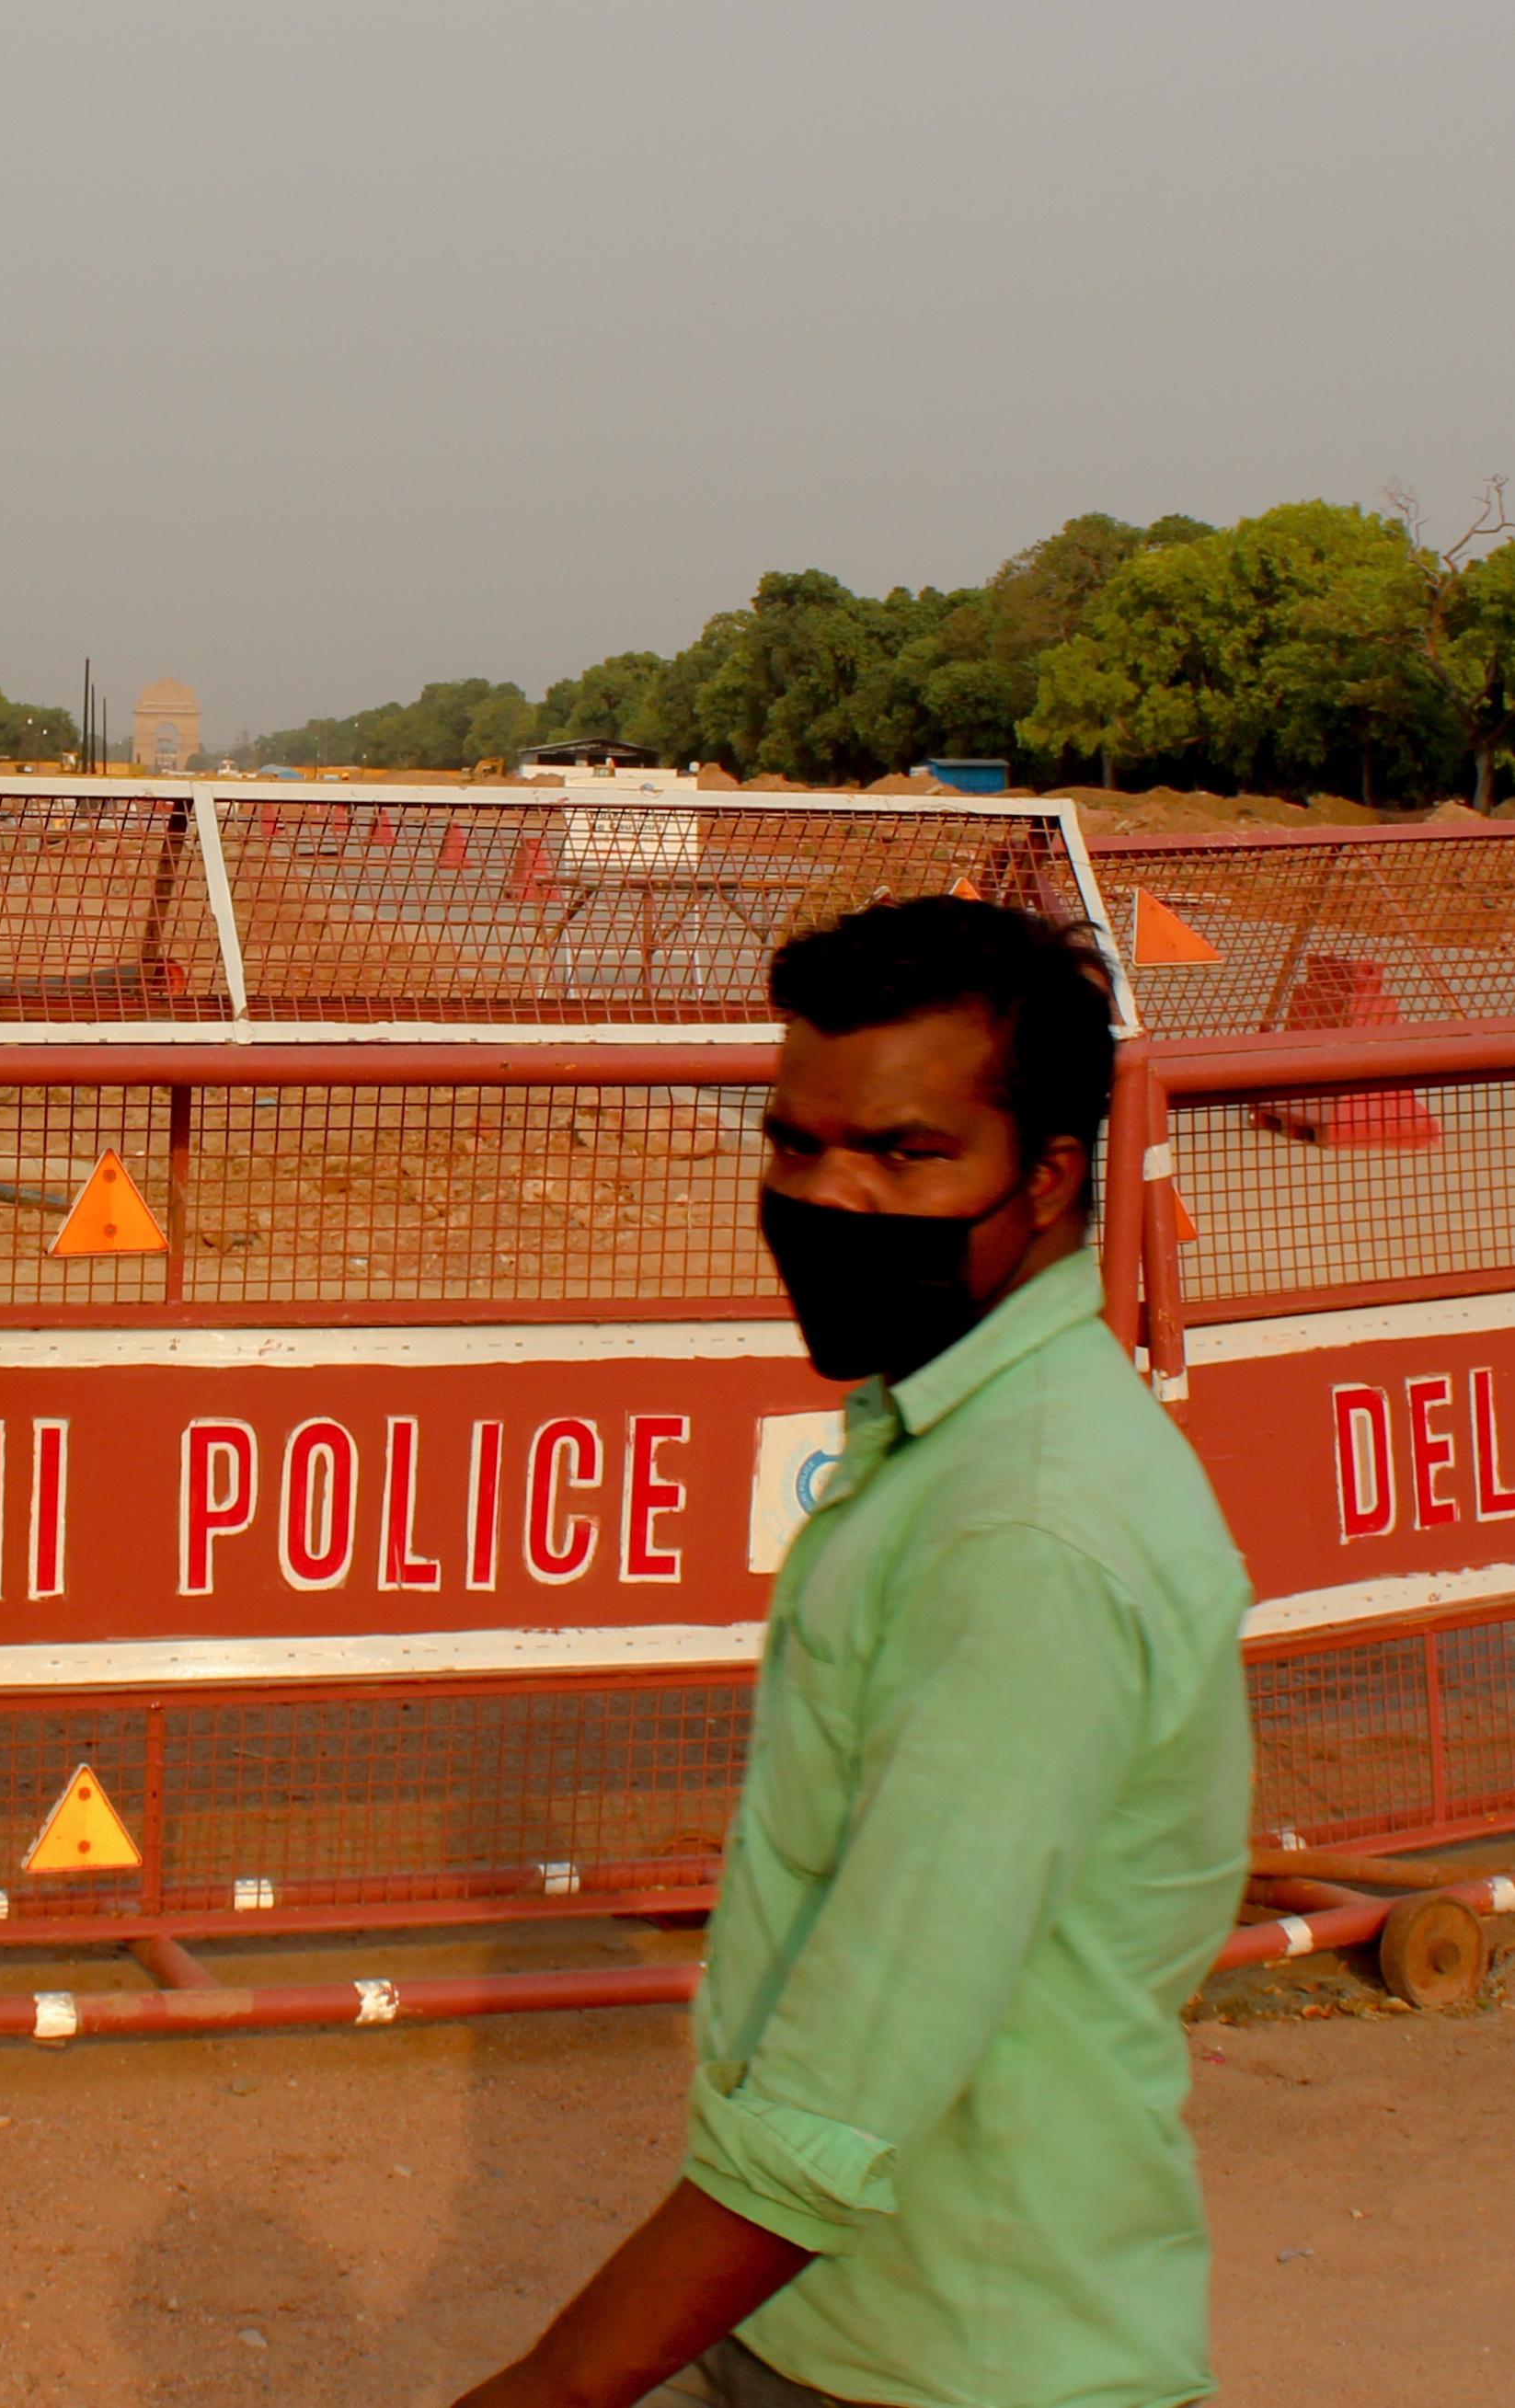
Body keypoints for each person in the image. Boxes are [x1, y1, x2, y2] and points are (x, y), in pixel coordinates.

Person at [453, 897, 1251, 2408]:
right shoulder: (947, 1437)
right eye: (794, 1143)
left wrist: (549, 2388)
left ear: (1049, 1175)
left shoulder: (1028, 1530)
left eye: (902, 1152)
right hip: (832, 2323)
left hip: (961, 2364)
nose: (828, 1196)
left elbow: (848, 2083)